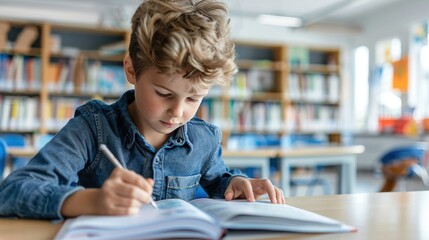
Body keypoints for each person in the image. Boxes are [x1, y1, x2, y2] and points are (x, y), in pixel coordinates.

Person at [0, 0, 285, 220]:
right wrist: (91, 201)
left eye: (193, 99)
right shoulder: (91, 129)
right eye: (164, 93)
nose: (177, 112)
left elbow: (219, 178)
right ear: (131, 70)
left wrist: (237, 182)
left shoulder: (204, 139)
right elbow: (13, 191)